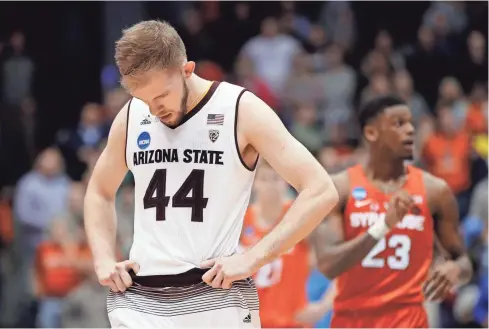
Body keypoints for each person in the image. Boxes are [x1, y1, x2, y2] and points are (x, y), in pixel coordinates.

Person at [84, 20, 338, 329]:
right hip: (140, 301)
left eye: (161, 96)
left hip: (216, 297)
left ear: (186, 70)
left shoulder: (239, 109)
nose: (154, 110)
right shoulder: (131, 115)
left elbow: (321, 190)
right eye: (144, 99)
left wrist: (254, 257)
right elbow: (99, 191)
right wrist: (103, 259)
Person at [310, 95, 472, 328]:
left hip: (409, 321)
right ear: (371, 134)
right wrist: (383, 226)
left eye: (411, 123)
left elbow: (464, 262)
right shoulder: (340, 189)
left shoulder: (436, 191)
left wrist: (455, 269)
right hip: (353, 320)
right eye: (398, 124)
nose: (410, 130)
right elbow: (328, 264)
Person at [239, 161, 311, 328]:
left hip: (293, 323)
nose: (270, 185)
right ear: (254, 183)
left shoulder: (301, 217)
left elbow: (335, 259)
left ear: (286, 182)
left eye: (276, 178)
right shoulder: (241, 220)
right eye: (264, 179)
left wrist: (323, 306)